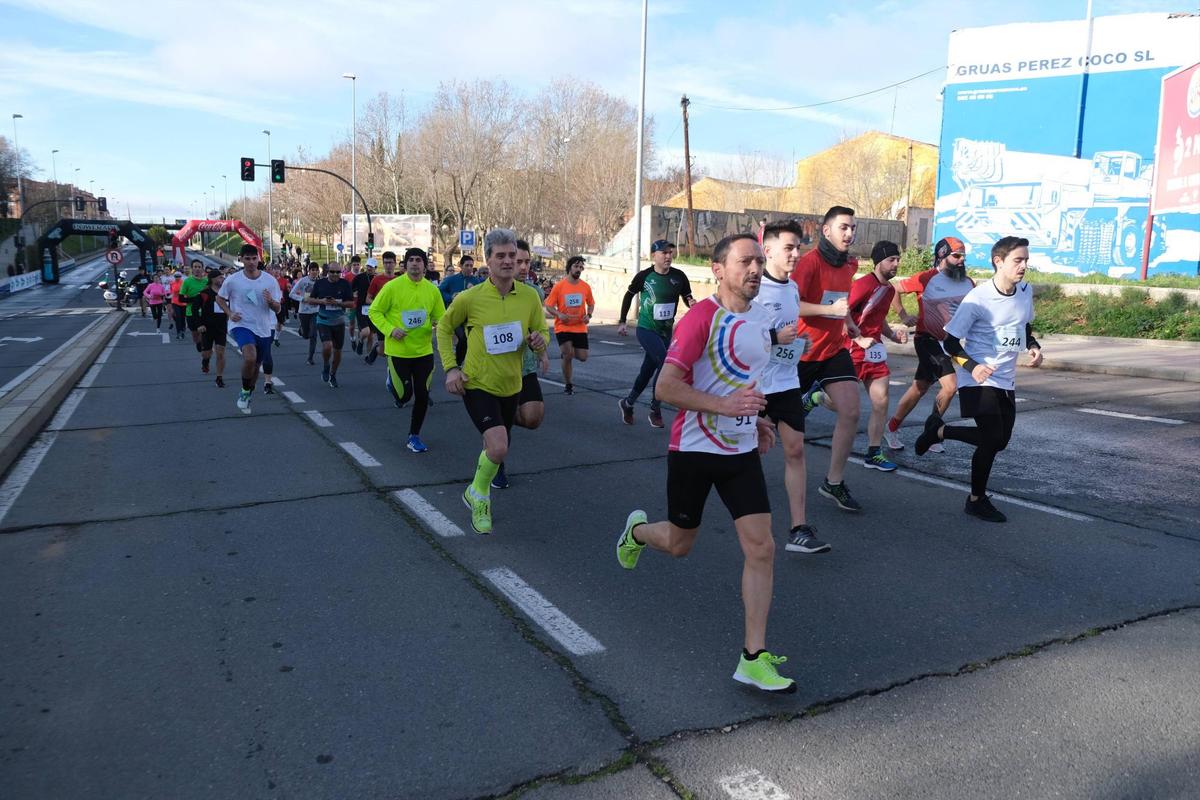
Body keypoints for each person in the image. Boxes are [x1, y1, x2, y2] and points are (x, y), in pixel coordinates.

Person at [615, 233, 795, 694]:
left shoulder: (759, 320)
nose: (755, 269)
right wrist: (727, 407)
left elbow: (748, 383)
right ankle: (636, 532)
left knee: (762, 548)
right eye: (744, 262)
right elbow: (666, 388)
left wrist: (758, 419)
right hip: (694, 450)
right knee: (679, 545)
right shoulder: (700, 318)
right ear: (718, 269)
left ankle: (752, 658)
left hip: (738, 452)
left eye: (759, 261)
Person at [915, 236, 1043, 523]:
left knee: (999, 442)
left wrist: (1033, 346)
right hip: (976, 378)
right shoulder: (978, 298)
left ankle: (939, 431)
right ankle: (976, 500)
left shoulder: (1024, 290)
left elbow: (1024, 325)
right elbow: (950, 343)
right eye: (1017, 260)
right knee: (992, 437)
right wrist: (971, 367)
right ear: (998, 261)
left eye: (1026, 260)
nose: (1023, 266)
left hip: (1006, 378)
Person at [435, 229, 549, 534]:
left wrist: (539, 342)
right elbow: (444, 329)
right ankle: (480, 496)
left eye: (512, 255)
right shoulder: (470, 298)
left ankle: (474, 490)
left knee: (496, 448)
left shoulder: (529, 297)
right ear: (488, 260)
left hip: (511, 385)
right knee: (498, 448)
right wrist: (451, 369)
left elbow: (541, 331)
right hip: (476, 383)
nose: (508, 261)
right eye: (501, 256)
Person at [754, 221, 828, 554]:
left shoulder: (793, 288)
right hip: (753, 385)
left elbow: (787, 329)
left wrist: (799, 343)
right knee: (746, 454)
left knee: (795, 449)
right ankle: (747, 516)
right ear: (768, 250)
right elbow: (735, 336)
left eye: (798, 247)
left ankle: (798, 528)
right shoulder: (753, 289)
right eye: (789, 248)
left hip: (785, 381)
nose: (796, 254)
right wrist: (772, 337)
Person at [790, 205, 863, 513]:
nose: (849, 233)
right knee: (767, 420)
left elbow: (839, 304)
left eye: (853, 228)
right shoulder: (809, 264)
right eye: (844, 227)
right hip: (802, 352)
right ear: (827, 230)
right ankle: (731, 462)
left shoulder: (849, 265)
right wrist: (829, 312)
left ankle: (833, 482)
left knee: (851, 410)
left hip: (833, 351)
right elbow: (792, 304)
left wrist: (847, 323)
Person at [885, 237, 974, 453]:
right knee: (951, 386)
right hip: (927, 340)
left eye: (963, 256)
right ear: (942, 256)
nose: (961, 260)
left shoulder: (969, 283)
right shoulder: (926, 278)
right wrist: (904, 315)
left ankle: (891, 427)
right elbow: (893, 289)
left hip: (950, 344)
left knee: (920, 387)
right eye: (956, 256)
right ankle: (931, 431)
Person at [369, 247, 445, 454]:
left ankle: (414, 436)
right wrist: (390, 330)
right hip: (399, 352)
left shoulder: (432, 290)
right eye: (410, 260)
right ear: (405, 264)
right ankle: (391, 382)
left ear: (425, 264)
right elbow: (375, 312)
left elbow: (441, 316)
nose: (414, 263)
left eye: (418, 260)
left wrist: (441, 324)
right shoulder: (393, 287)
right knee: (404, 397)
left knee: (422, 395)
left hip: (424, 352)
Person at [492, 239, 551, 490]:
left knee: (533, 418)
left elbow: (538, 327)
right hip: (497, 370)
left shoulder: (534, 293)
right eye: (519, 262)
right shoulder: (487, 292)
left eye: (527, 261)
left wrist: (542, 349)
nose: (524, 267)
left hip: (524, 367)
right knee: (501, 433)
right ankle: (496, 465)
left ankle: (496, 423)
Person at [617, 239, 695, 427]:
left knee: (647, 371)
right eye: (664, 253)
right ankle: (655, 408)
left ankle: (628, 403)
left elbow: (687, 296)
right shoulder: (644, 276)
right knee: (664, 361)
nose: (668, 256)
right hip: (646, 329)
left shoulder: (679, 276)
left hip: (666, 332)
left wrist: (691, 302)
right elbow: (628, 295)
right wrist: (622, 321)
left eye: (670, 253)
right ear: (654, 256)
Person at [848, 241, 908, 472]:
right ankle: (816, 397)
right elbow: (841, 313)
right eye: (891, 259)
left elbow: (876, 317)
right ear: (878, 261)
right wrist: (857, 339)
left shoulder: (890, 290)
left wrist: (891, 334)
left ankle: (874, 453)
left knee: (881, 401)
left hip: (874, 352)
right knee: (844, 403)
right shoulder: (863, 285)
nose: (896, 264)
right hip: (852, 349)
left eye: (897, 259)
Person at [216, 245, 283, 414]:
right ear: (241, 259)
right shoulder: (233, 280)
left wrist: (271, 303)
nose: (251, 262)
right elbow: (219, 298)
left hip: (264, 327)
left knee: (256, 365)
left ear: (259, 258)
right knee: (250, 357)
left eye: (254, 258)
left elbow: (278, 309)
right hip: (241, 325)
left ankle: (247, 391)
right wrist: (230, 313)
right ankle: (245, 390)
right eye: (247, 258)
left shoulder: (270, 281)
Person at [544, 255, 594, 395]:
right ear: (569, 267)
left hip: (579, 327)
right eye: (576, 267)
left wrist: (588, 315)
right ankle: (568, 384)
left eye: (581, 267)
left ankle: (566, 355)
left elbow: (591, 304)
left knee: (583, 357)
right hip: (563, 326)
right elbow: (548, 305)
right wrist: (558, 314)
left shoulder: (585, 287)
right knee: (568, 354)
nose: (579, 270)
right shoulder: (560, 286)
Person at [307, 263, 355, 388]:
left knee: (338, 352)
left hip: (338, 321)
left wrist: (338, 304)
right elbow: (310, 300)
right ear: (327, 271)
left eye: (338, 272)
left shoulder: (344, 284)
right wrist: (321, 301)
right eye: (332, 272)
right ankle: (326, 365)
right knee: (327, 346)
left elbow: (351, 304)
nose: (335, 274)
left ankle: (333, 374)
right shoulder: (320, 283)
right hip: (323, 320)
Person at [439, 255, 483, 367]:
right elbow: (439, 291)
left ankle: (468, 362)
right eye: (466, 265)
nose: (469, 268)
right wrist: (450, 297)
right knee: (463, 338)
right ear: (460, 266)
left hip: (470, 316)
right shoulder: (451, 279)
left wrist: (473, 291)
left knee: (471, 339)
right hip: (456, 315)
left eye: (471, 266)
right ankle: (457, 362)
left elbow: (481, 297)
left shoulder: (475, 281)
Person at [363, 251, 401, 365]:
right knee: (383, 352)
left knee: (396, 349)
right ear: (382, 264)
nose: (388, 265)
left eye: (390, 262)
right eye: (386, 263)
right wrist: (380, 304)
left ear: (395, 263)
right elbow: (368, 299)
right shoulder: (377, 279)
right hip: (382, 319)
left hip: (396, 318)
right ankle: (376, 348)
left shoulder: (400, 280)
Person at [196, 269, 229, 388]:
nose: (222, 279)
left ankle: (219, 377)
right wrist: (199, 324)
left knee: (220, 353)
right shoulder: (204, 293)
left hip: (221, 327)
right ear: (212, 279)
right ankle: (205, 362)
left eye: (223, 277)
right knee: (206, 353)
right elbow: (195, 310)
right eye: (220, 277)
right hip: (207, 327)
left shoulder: (226, 293)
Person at [289, 262, 321, 365]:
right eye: (312, 270)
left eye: (316, 270)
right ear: (309, 271)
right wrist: (302, 299)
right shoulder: (303, 281)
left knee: (313, 335)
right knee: (306, 335)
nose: (314, 272)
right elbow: (291, 294)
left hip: (315, 311)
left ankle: (310, 358)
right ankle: (301, 330)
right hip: (303, 311)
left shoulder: (320, 282)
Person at [352, 257, 378, 357]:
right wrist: (353, 294)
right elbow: (351, 289)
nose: (369, 268)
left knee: (371, 335)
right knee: (366, 331)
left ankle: (368, 354)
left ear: (375, 267)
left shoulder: (377, 279)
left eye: (371, 267)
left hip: (374, 308)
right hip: (361, 307)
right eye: (368, 266)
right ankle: (361, 341)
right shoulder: (359, 277)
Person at [169, 270, 187, 339]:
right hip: (175, 302)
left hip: (183, 302)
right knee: (178, 317)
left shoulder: (184, 283)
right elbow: (171, 292)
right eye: (176, 276)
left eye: (179, 276)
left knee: (182, 318)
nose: (177, 278)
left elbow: (186, 291)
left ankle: (182, 329)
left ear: (181, 277)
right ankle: (178, 332)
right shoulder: (172, 283)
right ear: (174, 277)